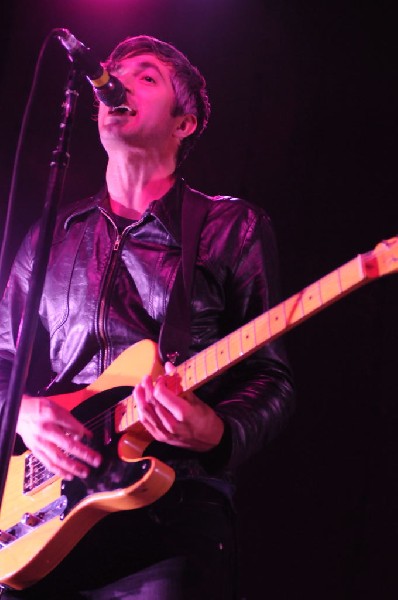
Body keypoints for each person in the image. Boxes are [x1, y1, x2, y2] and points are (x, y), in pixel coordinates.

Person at [0, 35, 295, 599]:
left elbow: (270, 378)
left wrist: (215, 429)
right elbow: (3, 360)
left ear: (184, 123)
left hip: (170, 508)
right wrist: (25, 413)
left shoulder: (230, 228)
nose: (118, 82)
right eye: (114, 73)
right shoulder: (51, 234)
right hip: (42, 514)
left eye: (147, 76)